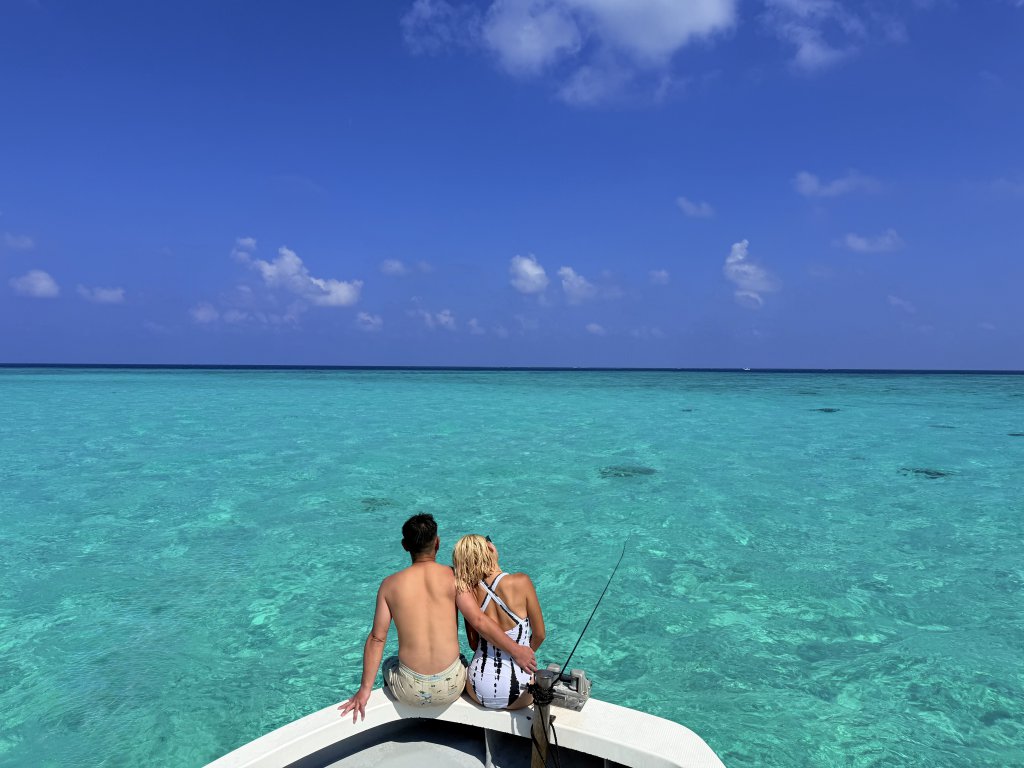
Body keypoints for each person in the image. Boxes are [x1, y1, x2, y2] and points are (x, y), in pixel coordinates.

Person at [338, 514, 537, 721]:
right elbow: (478, 620)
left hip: (409, 690)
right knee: (460, 659)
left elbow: (377, 638)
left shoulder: (389, 585)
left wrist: (364, 689)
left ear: (405, 546)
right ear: (437, 543)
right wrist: (516, 651)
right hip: (451, 686)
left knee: (390, 662)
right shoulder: (454, 577)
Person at [453, 534, 546, 710]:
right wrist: (524, 655)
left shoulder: (468, 593)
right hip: (519, 690)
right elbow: (540, 635)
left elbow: (473, 644)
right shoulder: (521, 581)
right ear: (490, 549)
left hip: (477, 688)